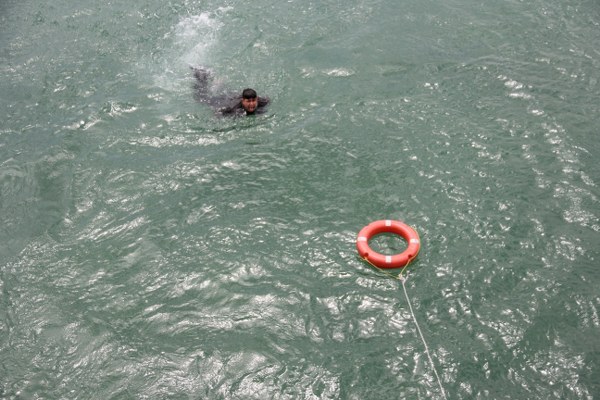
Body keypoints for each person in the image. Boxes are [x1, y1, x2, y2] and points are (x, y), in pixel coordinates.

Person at [192, 67, 269, 116]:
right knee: (201, 97)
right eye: (248, 101)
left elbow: (267, 99)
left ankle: (219, 83)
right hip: (222, 101)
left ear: (257, 99)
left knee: (225, 91)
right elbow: (218, 112)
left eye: (253, 101)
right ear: (243, 101)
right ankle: (200, 74)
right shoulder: (232, 107)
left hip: (233, 96)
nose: (252, 104)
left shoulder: (262, 102)